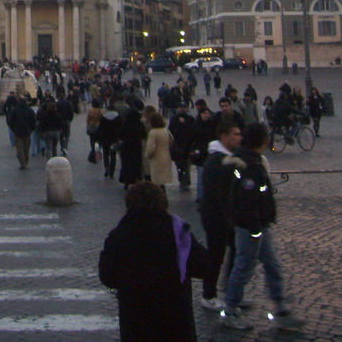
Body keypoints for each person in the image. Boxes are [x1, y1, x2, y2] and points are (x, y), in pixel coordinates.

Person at [98, 181, 208, 341]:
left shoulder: (119, 234)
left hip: (135, 317)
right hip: (175, 315)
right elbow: (202, 266)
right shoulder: (177, 231)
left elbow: (107, 275)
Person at [221, 123, 302, 330]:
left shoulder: (249, 161)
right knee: (243, 268)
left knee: (271, 265)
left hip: (258, 225)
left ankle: (280, 308)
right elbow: (249, 202)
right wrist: (256, 229)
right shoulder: (251, 167)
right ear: (263, 141)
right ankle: (230, 309)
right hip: (251, 228)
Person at [198, 119, 243, 311]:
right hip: (217, 216)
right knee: (216, 256)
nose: (239, 138)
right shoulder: (217, 161)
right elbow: (215, 193)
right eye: (235, 134)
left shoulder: (229, 158)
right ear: (224, 137)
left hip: (227, 215)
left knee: (235, 250)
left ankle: (231, 291)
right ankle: (209, 294)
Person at [118, 109, 146, 190]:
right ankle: (137, 180)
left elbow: (120, 134)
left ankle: (127, 182)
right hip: (136, 146)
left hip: (126, 147)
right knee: (137, 164)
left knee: (126, 164)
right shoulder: (139, 124)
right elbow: (144, 135)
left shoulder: (125, 124)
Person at [144, 112, 173, 189]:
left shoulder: (153, 133)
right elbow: (171, 142)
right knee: (162, 181)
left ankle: (159, 198)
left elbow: (151, 149)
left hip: (156, 158)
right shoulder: (165, 130)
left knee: (156, 182)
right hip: (166, 156)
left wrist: (147, 156)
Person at [10, 97, 37, 169]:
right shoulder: (30, 110)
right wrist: (31, 129)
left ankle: (23, 163)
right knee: (26, 149)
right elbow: (33, 121)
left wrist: (13, 129)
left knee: (19, 149)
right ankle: (26, 161)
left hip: (18, 132)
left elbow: (10, 121)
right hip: (27, 132)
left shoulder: (15, 110)